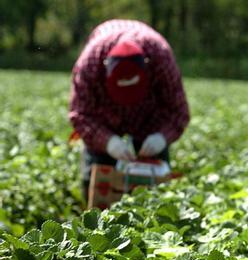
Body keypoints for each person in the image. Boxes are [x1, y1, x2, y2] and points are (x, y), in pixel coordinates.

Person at [69, 19, 190, 201]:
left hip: (149, 117)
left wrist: (162, 137)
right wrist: (108, 142)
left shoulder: (161, 59)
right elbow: (81, 114)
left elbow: (178, 110)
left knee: (155, 183)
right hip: (105, 117)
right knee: (98, 179)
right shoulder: (90, 65)